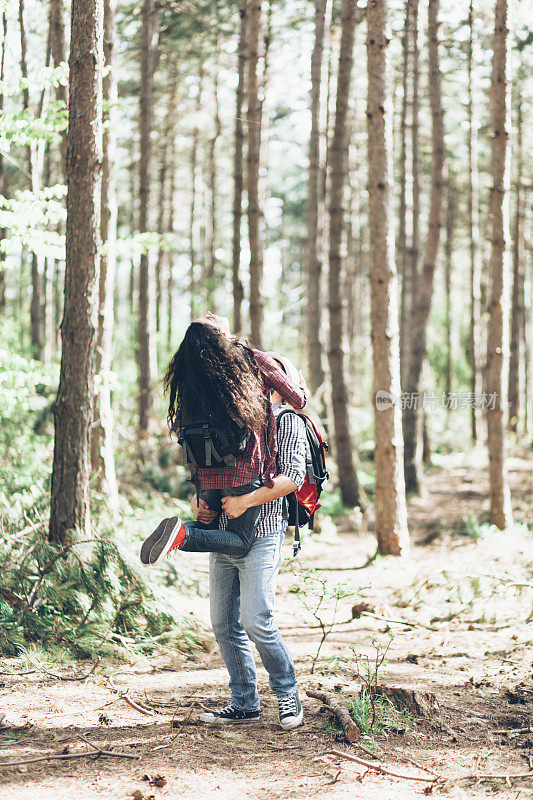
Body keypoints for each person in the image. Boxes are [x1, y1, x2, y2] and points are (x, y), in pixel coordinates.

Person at [194, 354, 308, 730]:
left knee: (256, 620)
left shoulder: (288, 421)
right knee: (223, 624)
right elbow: (211, 473)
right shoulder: (236, 423)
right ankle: (244, 702)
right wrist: (204, 507)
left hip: (263, 535)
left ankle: (287, 692)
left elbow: (291, 477)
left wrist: (244, 501)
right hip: (223, 535)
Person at [140, 315, 307, 565]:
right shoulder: (250, 359)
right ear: (220, 336)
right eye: (210, 320)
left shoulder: (193, 374)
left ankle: (179, 531)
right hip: (242, 468)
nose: (210, 313)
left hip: (206, 471)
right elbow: (297, 400)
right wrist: (300, 386)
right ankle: (182, 534)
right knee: (239, 541)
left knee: (207, 523)